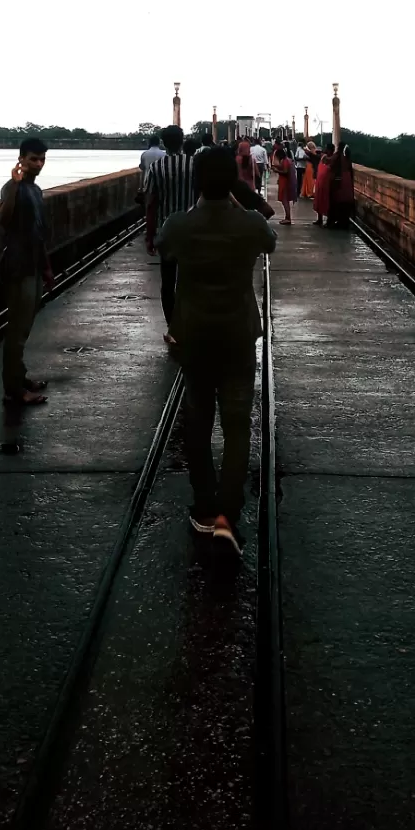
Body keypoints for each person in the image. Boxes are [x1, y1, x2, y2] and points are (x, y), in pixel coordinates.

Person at [157, 147, 276, 556]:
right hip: (237, 335)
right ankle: (229, 512)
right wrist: (239, 201)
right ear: (234, 183)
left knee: (198, 422)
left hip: (195, 336)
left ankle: (205, 507)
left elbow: (163, 246)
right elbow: (271, 239)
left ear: (196, 182)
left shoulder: (180, 225)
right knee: (238, 424)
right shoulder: (248, 224)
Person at [0, 137, 54, 406]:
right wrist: (15, 185)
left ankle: (19, 378)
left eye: (42, 159)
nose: (38, 164)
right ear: (21, 159)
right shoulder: (13, 188)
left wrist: (46, 267)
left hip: (33, 264)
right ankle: (14, 390)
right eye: (33, 159)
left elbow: (39, 234)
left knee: (26, 327)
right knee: (17, 331)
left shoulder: (37, 191)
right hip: (18, 267)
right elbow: (4, 219)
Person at [144, 125, 196, 341]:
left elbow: (151, 203)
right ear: (182, 141)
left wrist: (150, 236)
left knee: (168, 280)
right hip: (193, 230)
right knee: (191, 279)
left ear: (164, 143)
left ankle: (173, 328)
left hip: (167, 232)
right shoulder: (195, 165)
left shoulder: (156, 168)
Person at [328, 144, 356, 229]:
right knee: (345, 204)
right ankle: (344, 222)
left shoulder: (337, 157)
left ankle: (335, 222)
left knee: (336, 203)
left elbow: (331, 166)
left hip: (339, 184)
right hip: (347, 185)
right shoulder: (347, 160)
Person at [312, 143, 335, 227]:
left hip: (327, 183)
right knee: (319, 201)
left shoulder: (333, 159)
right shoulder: (323, 157)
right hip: (320, 182)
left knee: (326, 201)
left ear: (330, 150)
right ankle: (319, 219)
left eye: (327, 149)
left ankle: (329, 221)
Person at [273, 143, 294, 224]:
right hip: (284, 181)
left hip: (284, 182)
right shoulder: (286, 160)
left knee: (285, 200)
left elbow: (285, 172)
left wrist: (276, 170)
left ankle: (288, 218)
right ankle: (287, 217)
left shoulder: (285, 161)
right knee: (285, 200)